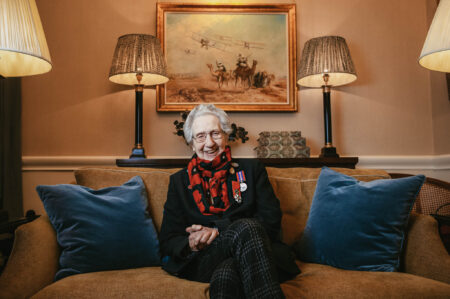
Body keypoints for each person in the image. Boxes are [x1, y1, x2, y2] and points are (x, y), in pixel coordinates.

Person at [159, 104, 300, 298]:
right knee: (246, 227)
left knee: (227, 273)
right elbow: (168, 240)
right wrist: (191, 243)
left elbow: (271, 222)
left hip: (259, 252)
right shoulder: (179, 182)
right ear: (191, 143)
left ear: (226, 136)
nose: (209, 143)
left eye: (215, 134)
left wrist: (218, 231)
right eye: (200, 136)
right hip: (205, 257)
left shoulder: (252, 170)